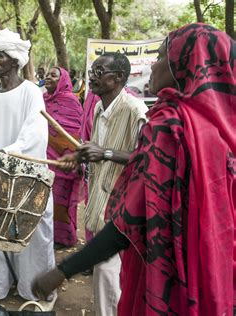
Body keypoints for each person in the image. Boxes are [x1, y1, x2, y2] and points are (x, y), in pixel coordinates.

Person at [33, 23, 235, 315]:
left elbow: (128, 220)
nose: (155, 65)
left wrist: (62, 271)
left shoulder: (170, 127)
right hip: (215, 273)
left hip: (173, 274)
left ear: (183, 65)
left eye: (163, 56)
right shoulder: (222, 128)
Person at [51, 52, 149, 315]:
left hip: (122, 205)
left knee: (108, 273)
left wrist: (105, 153)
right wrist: (78, 155)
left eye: (98, 72)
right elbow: (95, 148)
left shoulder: (135, 110)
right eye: (91, 71)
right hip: (99, 199)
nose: (91, 77)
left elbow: (147, 159)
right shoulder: (97, 107)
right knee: (105, 277)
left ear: (117, 78)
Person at [0, 28, 56, 308]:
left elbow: (34, 136)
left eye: (0, 56)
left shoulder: (31, 92)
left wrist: (5, 153)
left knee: (31, 234)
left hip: (26, 177)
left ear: (14, 60)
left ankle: (33, 288)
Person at [43, 66, 84, 248]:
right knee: (46, 202)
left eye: (54, 75)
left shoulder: (71, 101)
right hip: (46, 160)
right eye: (47, 74)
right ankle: (48, 237)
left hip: (65, 161)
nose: (48, 77)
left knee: (61, 201)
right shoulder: (41, 100)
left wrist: (71, 157)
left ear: (63, 80)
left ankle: (65, 238)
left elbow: (75, 132)